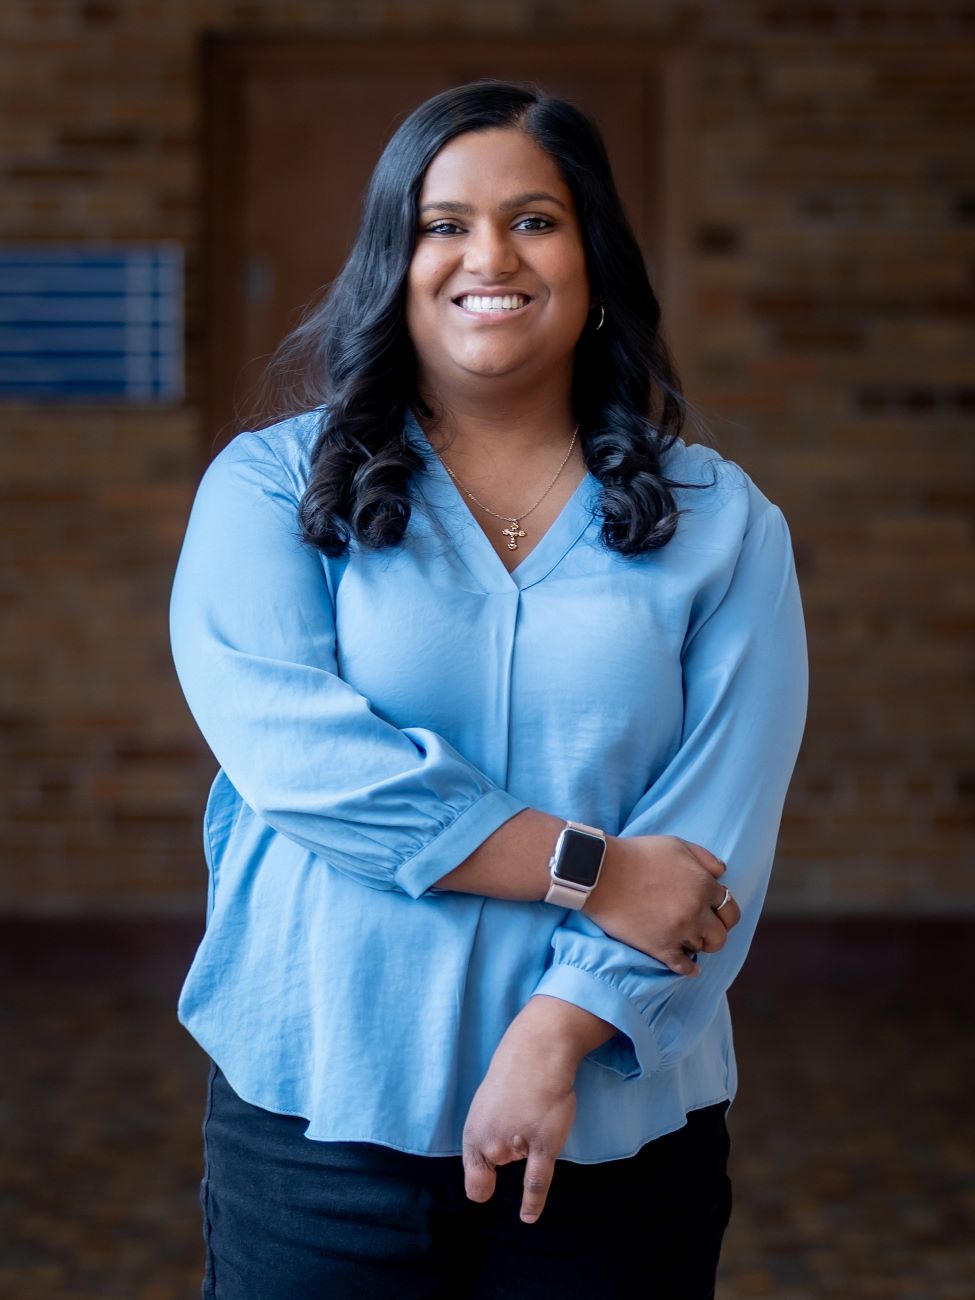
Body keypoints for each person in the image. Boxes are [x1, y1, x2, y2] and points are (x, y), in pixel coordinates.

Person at [169, 79, 808, 1300]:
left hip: (614, 1127)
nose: (489, 255)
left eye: (536, 219)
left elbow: (721, 825)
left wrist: (562, 1026)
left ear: (595, 260)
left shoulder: (726, 525)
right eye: (443, 223)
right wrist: (596, 868)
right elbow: (306, 768)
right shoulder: (264, 493)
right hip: (318, 1124)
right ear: (393, 263)